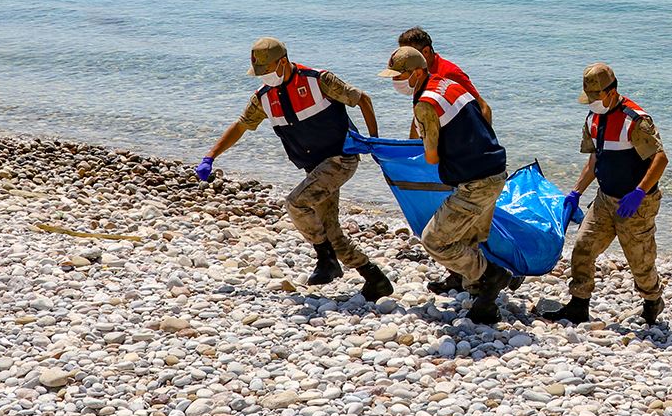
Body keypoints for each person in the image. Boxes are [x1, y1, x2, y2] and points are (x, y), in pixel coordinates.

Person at [196, 37, 393, 299]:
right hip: (313, 168)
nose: (264, 77)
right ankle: (374, 278)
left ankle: (325, 260)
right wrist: (210, 156)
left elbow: (363, 100)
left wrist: (373, 141)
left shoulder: (318, 80)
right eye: (260, 73)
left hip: (341, 158)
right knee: (331, 233)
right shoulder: (263, 98)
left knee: (296, 203)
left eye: (267, 71)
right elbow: (241, 126)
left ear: (283, 62)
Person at [379, 46, 512, 324]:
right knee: (469, 239)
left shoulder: (425, 103)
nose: (395, 83)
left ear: (417, 73)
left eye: (399, 76)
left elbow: (431, 156)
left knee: (435, 240)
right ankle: (484, 303)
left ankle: (492, 276)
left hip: (475, 182)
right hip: (495, 170)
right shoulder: (447, 84)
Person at [544, 63, 668, 326]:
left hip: (637, 203)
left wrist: (638, 193)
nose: (592, 103)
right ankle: (579, 304)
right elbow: (594, 161)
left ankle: (652, 301)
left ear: (612, 92)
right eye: (589, 98)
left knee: (640, 262)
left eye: (596, 97)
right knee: (582, 248)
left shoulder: (635, 121)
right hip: (604, 198)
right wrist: (576, 192)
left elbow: (660, 160)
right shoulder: (593, 119)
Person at [397, 27, 492, 134]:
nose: (404, 61)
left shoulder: (450, 72)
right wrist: (412, 147)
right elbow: (419, 118)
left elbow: (484, 107)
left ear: (426, 51)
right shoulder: (418, 74)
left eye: (408, 56)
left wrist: (484, 142)